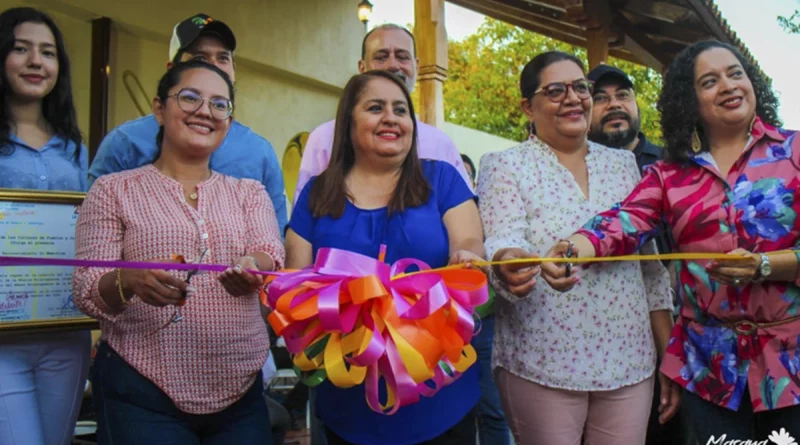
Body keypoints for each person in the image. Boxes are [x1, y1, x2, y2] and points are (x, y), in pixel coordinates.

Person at [543, 40, 800, 442]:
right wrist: (574, 248)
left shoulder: (795, 151)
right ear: (689, 101)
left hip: (792, 364)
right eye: (710, 81)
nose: (729, 86)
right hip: (710, 372)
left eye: (736, 74)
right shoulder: (669, 175)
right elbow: (622, 222)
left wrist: (765, 265)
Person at [72, 60, 285, 445]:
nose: (205, 111)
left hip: (240, 391)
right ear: (159, 109)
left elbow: (270, 251)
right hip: (141, 388)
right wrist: (130, 280)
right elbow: (86, 288)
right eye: (190, 97)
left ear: (229, 121)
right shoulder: (113, 190)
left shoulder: (248, 192)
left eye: (220, 104)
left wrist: (254, 266)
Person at [478, 51, 677, 445]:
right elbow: (504, 238)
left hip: (629, 360)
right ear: (527, 107)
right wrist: (508, 263)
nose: (573, 98)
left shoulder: (623, 165)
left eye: (581, 87)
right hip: (542, 359)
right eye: (555, 90)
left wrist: (668, 356)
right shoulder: (505, 164)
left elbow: (649, 267)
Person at [286, 70, 483, 445]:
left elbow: (470, 238)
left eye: (400, 110)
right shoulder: (316, 192)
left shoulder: (442, 178)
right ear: (348, 123)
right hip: (348, 391)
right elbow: (297, 280)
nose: (391, 118)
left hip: (439, 391)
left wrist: (467, 254)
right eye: (375, 108)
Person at [89, 12, 287, 231]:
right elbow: (94, 238)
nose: (213, 67)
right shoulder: (124, 143)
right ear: (171, 71)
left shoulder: (259, 152)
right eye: (199, 58)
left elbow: (274, 242)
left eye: (223, 58)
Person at [0, 7, 91, 445]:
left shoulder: (73, 147)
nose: (37, 61)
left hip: (65, 333)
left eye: (48, 52)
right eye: (21, 49)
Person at [587, 64, 687, 445]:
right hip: (597, 342)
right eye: (601, 98)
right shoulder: (575, 171)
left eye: (623, 96)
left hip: (679, 328)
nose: (614, 105)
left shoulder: (674, 166)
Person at [294, 23, 470, 203]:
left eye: (402, 57)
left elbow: (465, 217)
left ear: (416, 67)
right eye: (381, 56)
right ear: (362, 68)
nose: (393, 65)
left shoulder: (440, 144)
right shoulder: (324, 139)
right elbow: (306, 215)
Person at [460, 153, 511, 445]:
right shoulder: (439, 214)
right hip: (446, 327)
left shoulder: (490, 213)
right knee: (457, 411)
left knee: (493, 410)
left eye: (467, 176)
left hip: (486, 325)